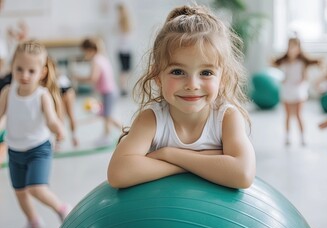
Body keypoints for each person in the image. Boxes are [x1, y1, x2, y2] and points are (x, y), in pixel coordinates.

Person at [107, 5, 256, 189]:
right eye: (178, 71)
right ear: (158, 77)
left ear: (223, 79)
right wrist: (202, 161)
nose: (192, 84)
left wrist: (170, 154)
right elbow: (118, 173)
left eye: (206, 72)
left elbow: (243, 174)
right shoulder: (152, 119)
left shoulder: (226, 117)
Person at [0, 40, 72, 228]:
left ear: (42, 72)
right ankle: (33, 221)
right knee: (20, 191)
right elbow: (1, 116)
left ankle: (62, 209)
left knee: (36, 188)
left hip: (38, 149)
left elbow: (51, 120)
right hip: (15, 151)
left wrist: (59, 129)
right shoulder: (7, 92)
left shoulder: (42, 95)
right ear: (12, 67)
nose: (24, 75)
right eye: (19, 69)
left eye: (31, 71)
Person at [73, 38, 122, 146]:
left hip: (108, 93)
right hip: (110, 91)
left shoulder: (96, 60)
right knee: (107, 115)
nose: (84, 55)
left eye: (84, 52)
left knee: (107, 116)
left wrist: (78, 78)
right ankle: (121, 132)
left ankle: (107, 136)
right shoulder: (102, 57)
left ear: (90, 50)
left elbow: (93, 78)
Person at [273, 37, 321, 146]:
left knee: (299, 114)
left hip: (299, 90)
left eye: (294, 46)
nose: (292, 49)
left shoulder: (302, 63)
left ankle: (303, 136)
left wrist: (301, 83)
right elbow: (283, 74)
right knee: (288, 115)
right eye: (290, 46)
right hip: (287, 90)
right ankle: (287, 136)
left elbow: (305, 77)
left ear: (299, 48)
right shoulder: (284, 62)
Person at [116, 3, 133, 97]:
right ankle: (123, 88)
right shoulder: (121, 23)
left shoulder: (125, 22)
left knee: (126, 70)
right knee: (123, 70)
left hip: (126, 49)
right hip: (123, 50)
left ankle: (125, 88)